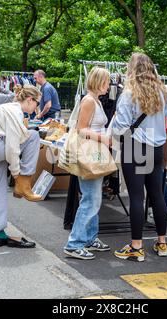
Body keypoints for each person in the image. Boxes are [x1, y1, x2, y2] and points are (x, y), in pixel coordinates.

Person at [112, 53, 167, 262]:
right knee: (157, 194)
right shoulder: (163, 92)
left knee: (136, 197)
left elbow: (121, 127)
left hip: (136, 145)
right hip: (157, 145)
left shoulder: (129, 93)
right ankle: (162, 243)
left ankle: (136, 246)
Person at [0, 85, 43, 248]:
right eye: (37, 103)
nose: (36, 107)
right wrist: (17, 174)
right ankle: (24, 183)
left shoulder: (7, 108)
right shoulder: (15, 111)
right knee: (33, 136)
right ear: (30, 100)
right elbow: (12, 148)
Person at [63, 67, 112, 260]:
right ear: (100, 82)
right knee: (90, 199)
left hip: (94, 152)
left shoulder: (95, 100)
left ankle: (90, 238)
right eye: (107, 82)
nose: (109, 86)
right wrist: (102, 137)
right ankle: (74, 243)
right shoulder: (89, 101)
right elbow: (80, 129)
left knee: (93, 197)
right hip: (89, 152)